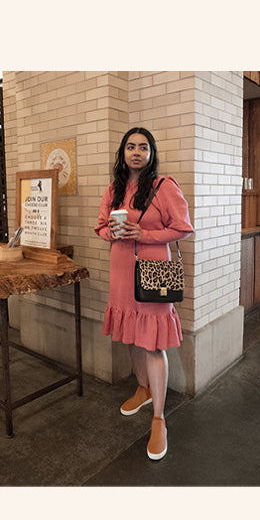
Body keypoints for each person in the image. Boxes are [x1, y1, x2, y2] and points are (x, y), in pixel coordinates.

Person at [94, 127, 193, 461]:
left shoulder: (164, 186)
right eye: (131, 147)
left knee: (152, 343)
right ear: (123, 152)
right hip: (122, 270)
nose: (136, 152)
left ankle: (159, 418)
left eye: (143, 147)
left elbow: (182, 228)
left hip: (153, 274)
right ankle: (143, 389)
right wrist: (113, 231)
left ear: (151, 153)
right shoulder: (114, 189)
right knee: (133, 338)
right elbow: (100, 227)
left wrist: (144, 233)